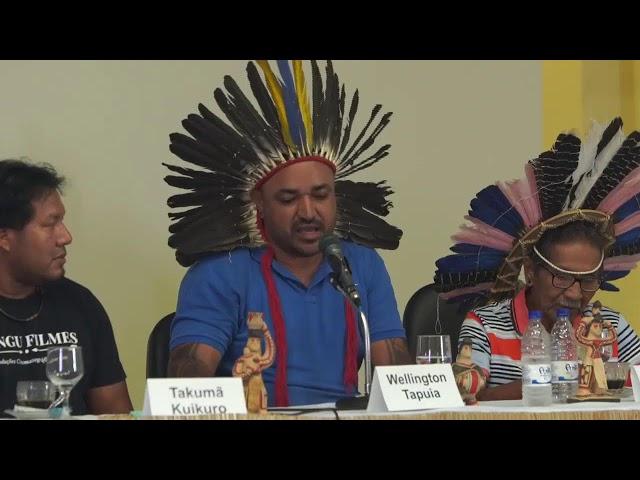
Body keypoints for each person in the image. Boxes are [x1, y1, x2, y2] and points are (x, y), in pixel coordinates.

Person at [165, 60, 411, 407]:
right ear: (259, 204)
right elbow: (187, 387)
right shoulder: (220, 272)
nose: (309, 212)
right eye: (288, 199)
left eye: (321, 195)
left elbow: (399, 381)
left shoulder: (361, 265)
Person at [434, 118, 640, 401]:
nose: (576, 293)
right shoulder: (484, 326)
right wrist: (559, 386)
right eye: (563, 277)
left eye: (588, 280)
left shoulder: (613, 327)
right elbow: (467, 398)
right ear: (531, 271)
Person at [0, 159, 133, 415]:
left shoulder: (80, 303)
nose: (66, 237)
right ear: (4, 237)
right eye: (50, 224)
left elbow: (116, 412)